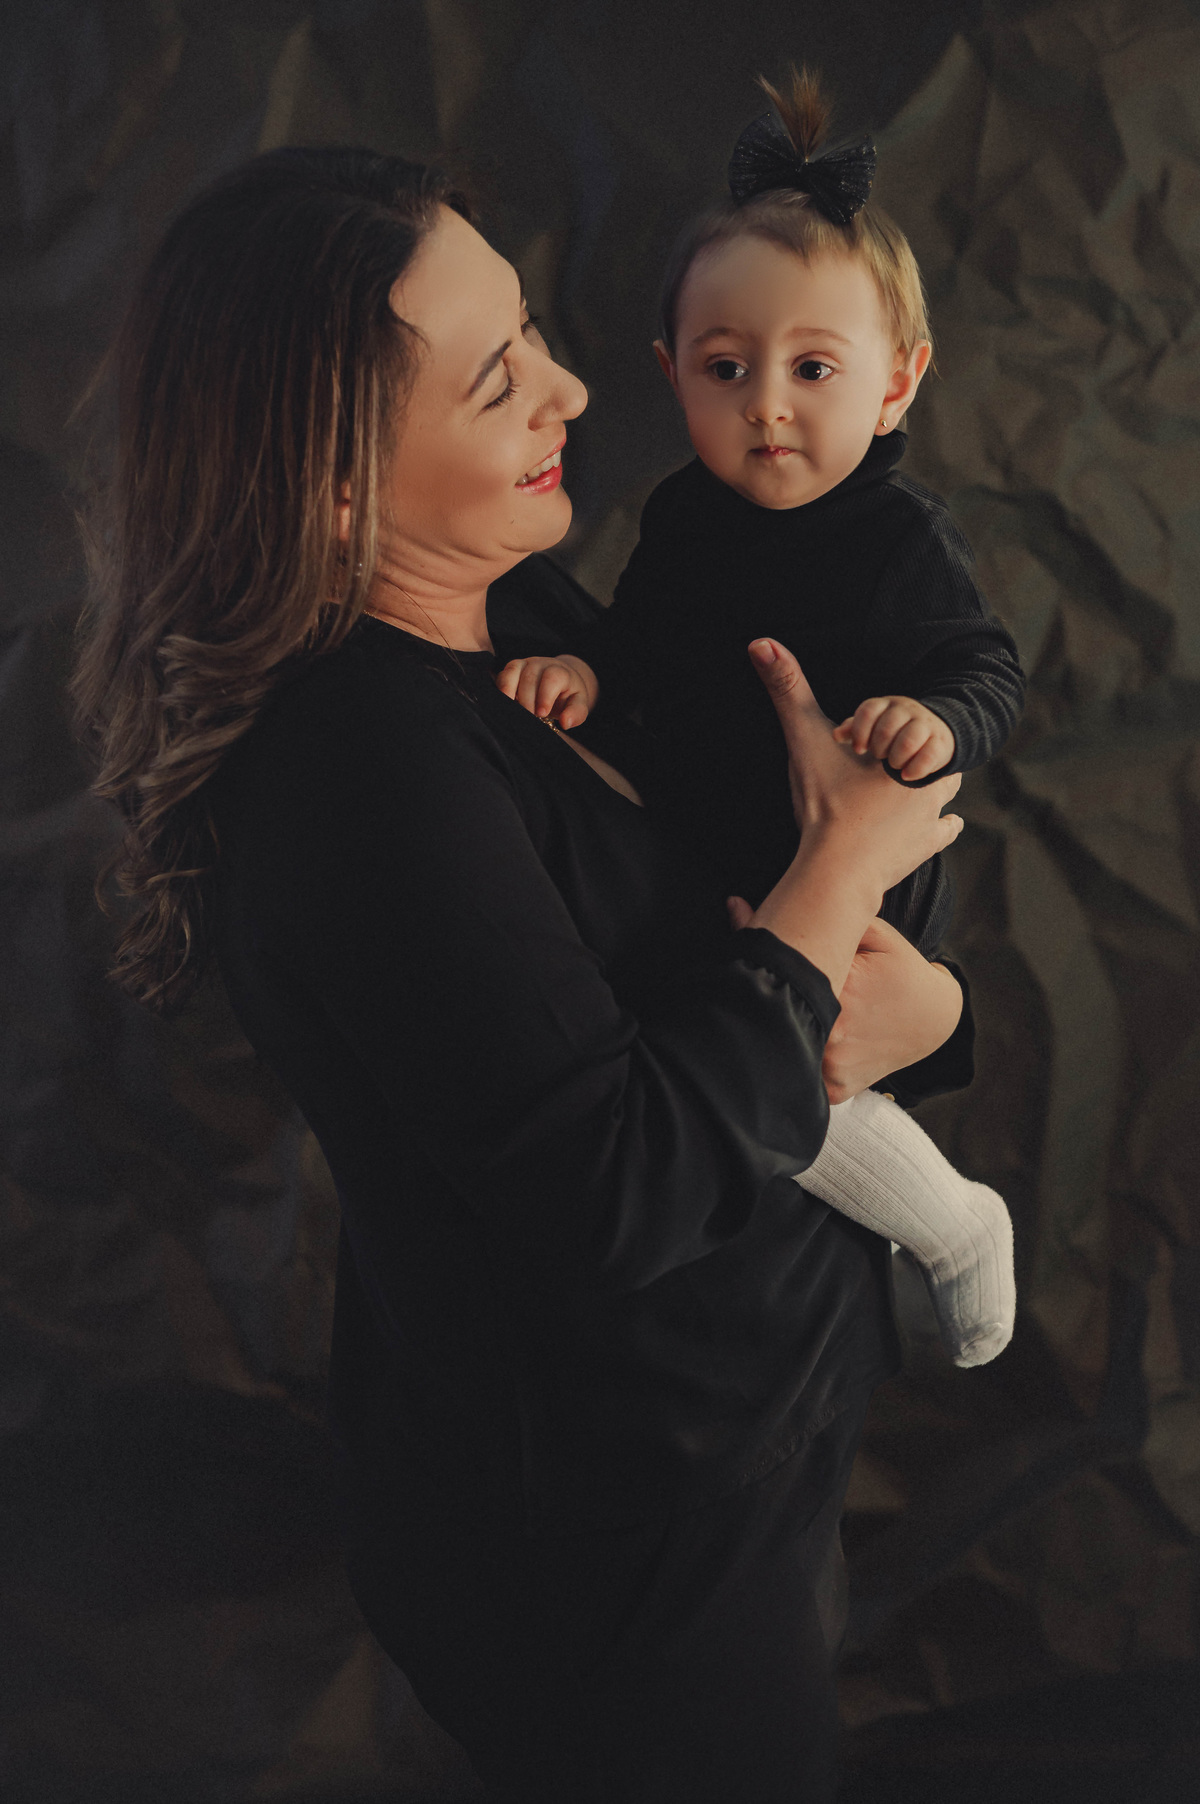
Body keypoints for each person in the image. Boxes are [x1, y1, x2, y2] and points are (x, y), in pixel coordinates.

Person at [73, 145, 971, 1803]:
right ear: (338, 486)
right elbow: (613, 1184)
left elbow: (704, 958)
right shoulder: (365, 771)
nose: (572, 388)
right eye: (499, 380)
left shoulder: (520, 604)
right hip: (620, 1559)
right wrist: (841, 874)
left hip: (739, 1462)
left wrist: (929, 1010)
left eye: (535, 332)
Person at [497, 67, 1023, 1368]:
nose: (768, 404)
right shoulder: (683, 519)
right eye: (726, 369)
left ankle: (954, 1221)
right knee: (712, 1053)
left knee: (784, 1055)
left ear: (898, 384)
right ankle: (903, 1222)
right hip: (713, 836)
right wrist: (590, 678)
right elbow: (639, 641)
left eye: (813, 368)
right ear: (671, 375)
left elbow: (985, 667)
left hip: (852, 866)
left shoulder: (898, 541)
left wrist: (933, 719)